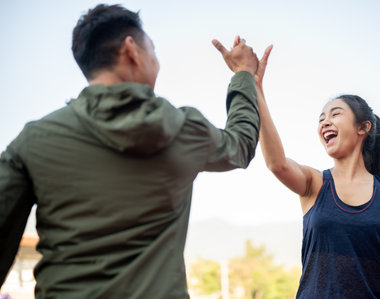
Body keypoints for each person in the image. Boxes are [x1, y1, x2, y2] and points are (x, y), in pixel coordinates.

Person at [0, 4, 261, 298]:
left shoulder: (34, 141)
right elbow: (241, 144)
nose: (156, 61)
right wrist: (243, 73)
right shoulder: (185, 130)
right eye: (153, 49)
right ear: (131, 50)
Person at [254, 43, 380, 298]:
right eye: (321, 118)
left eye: (335, 114)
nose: (325, 122)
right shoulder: (314, 183)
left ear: (363, 127)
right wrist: (255, 89)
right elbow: (276, 164)